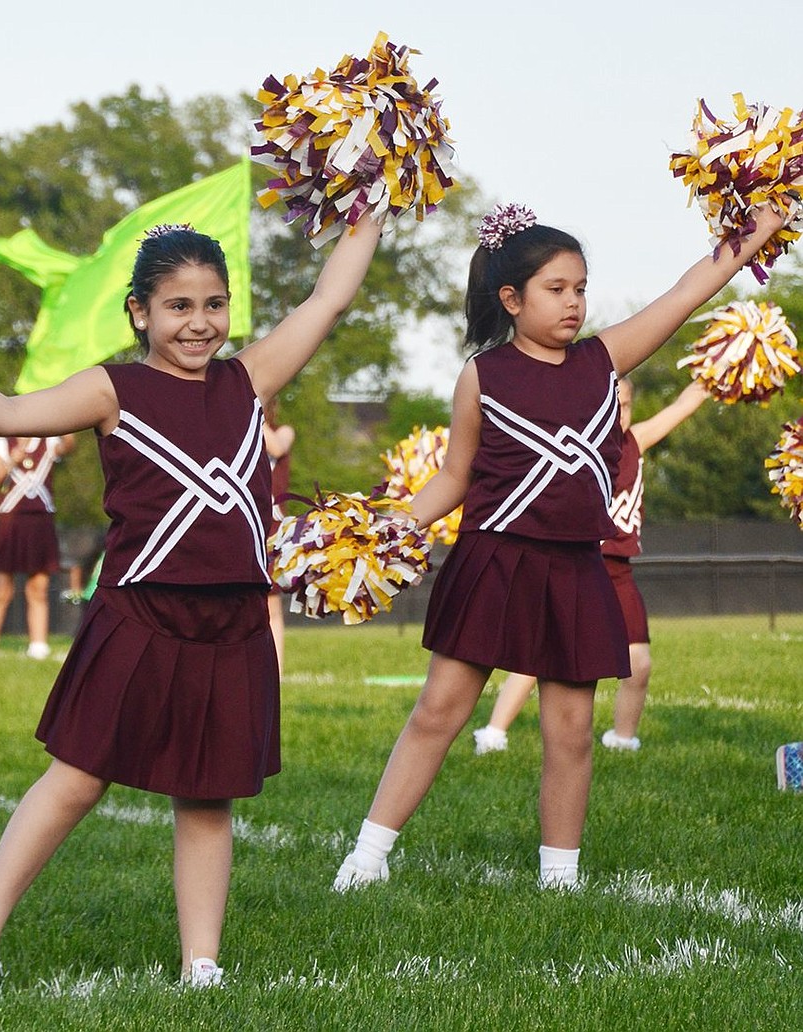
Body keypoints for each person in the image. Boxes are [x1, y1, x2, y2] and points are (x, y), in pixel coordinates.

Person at [0, 215, 381, 1000]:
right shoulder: (112, 389)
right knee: (77, 778)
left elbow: (328, 299)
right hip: (139, 612)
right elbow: (2, 411)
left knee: (208, 792)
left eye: (213, 304)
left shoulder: (248, 377)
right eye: (178, 306)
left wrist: (369, 206)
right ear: (140, 312)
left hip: (232, 621)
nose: (199, 323)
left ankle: (202, 965)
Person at [332, 200, 791, 894]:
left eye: (580, 288)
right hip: (494, 559)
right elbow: (454, 478)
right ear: (511, 299)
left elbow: (691, 288)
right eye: (557, 289)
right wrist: (390, 526)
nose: (574, 302)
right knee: (439, 713)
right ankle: (366, 858)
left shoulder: (604, 359)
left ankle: (560, 878)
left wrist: (758, 226)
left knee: (572, 731)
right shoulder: (482, 376)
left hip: (575, 565)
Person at [473, 378, 709, 755]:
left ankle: (623, 738)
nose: (619, 417)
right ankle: (493, 732)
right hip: (574, 564)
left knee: (639, 662)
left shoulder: (635, 441)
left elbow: (684, 404)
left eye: (626, 407)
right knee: (539, 654)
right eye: (611, 409)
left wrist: (722, 364)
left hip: (618, 570)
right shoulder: (573, 446)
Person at [0, 434, 76, 661]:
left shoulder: (48, 439)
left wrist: (68, 425)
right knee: (1, 587)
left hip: (41, 520)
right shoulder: (3, 442)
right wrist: (12, 458)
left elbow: (67, 447)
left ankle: (38, 645)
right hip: (11, 520)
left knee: (38, 587)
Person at [263, 397, 295, 674]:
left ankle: (276, 670)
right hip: (244, 525)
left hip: (272, 529)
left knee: (271, 604)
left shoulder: (283, 431)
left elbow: (276, 445)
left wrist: (251, 413)